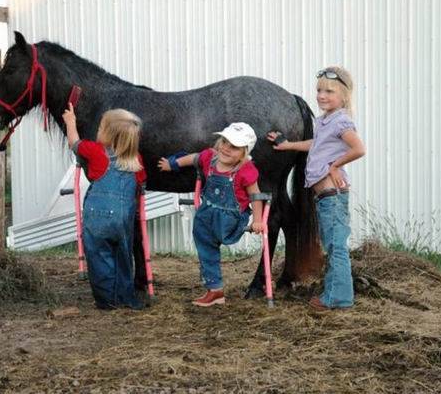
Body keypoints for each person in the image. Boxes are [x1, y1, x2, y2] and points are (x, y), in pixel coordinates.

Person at [267, 66, 365, 310]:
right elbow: (316, 144)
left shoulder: (342, 120)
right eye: (319, 90)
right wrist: (288, 145)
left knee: (336, 247)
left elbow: (358, 149)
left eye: (329, 91)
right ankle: (334, 293)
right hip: (324, 196)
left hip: (332, 195)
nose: (322, 96)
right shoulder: (323, 121)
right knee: (332, 245)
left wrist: (334, 166)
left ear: (343, 95)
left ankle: (339, 297)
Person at [158, 122, 264, 307]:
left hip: (230, 218)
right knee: (206, 249)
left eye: (234, 147)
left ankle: (215, 289)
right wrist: (173, 164)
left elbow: (255, 196)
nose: (226, 149)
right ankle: (215, 291)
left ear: (244, 152)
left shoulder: (245, 170)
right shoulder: (210, 158)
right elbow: (194, 158)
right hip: (206, 214)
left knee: (213, 242)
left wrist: (257, 220)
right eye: (224, 142)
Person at [62, 105, 146, 310]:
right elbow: (140, 187)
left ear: (108, 133)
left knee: (99, 257)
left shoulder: (95, 151)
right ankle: (126, 297)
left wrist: (70, 122)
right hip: (123, 220)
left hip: (97, 218)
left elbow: (74, 143)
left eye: (101, 126)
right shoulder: (137, 161)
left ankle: (106, 300)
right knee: (123, 257)